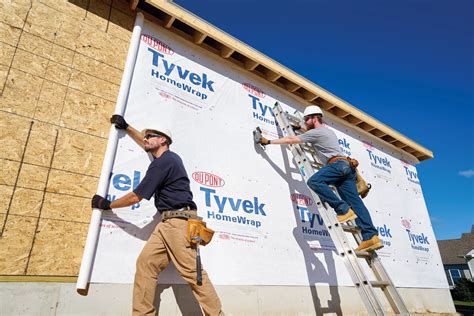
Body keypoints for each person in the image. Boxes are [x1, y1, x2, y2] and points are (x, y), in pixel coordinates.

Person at [91, 115, 224, 316]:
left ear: (163, 140)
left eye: (150, 136)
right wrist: (127, 127)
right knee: (146, 264)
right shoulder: (168, 159)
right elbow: (144, 143)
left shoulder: (165, 162)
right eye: (145, 136)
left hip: (179, 223)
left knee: (193, 273)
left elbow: (136, 196)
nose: (145, 139)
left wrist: (108, 204)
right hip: (167, 224)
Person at [256, 106, 382, 252]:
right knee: (356, 203)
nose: (305, 121)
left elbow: (291, 139)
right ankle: (371, 237)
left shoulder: (316, 133)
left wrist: (268, 141)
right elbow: (311, 134)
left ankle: (343, 209)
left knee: (314, 181)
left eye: (307, 119)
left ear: (315, 118)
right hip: (347, 168)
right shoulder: (327, 132)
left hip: (337, 166)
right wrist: (301, 128)